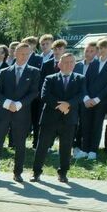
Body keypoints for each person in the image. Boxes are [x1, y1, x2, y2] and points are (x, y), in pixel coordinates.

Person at [0, 43, 40, 182]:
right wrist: (8, 104)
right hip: (3, 113)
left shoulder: (34, 72)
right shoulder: (5, 71)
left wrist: (19, 104)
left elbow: (34, 92)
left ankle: (17, 173)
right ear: (15, 54)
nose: (24, 56)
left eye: (27, 54)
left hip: (21, 114)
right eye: (21, 53)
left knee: (20, 145)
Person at [32, 52, 84, 183]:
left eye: (71, 62)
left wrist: (68, 104)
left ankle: (63, 173)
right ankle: (36, 172)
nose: (68, 65)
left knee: (66, 148)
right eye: (65, 62)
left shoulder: (80, 78)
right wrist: (60, 106)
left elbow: (81, 95)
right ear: (59, 64)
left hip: (69, 119)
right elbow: (44, 96)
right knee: (42, 146)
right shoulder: (50, 78)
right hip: (49, 119)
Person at [80, 38, 107, 160]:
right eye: (101, 48)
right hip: (87, 100)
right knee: (85, 125)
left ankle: (93, 151)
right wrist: (86, 97)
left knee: (97, 125)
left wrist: (97, 99)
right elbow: (85, 81)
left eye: (105, 47)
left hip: (102, 101)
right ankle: (84, 149)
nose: (102, 50)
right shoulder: (94, 62)